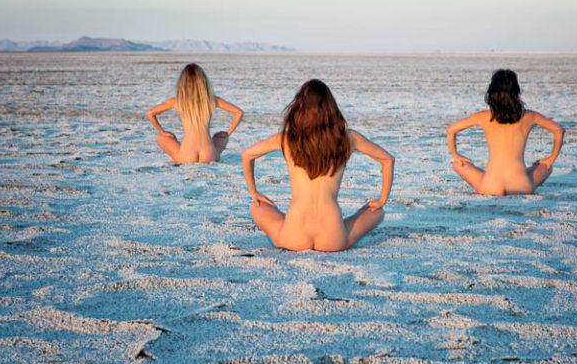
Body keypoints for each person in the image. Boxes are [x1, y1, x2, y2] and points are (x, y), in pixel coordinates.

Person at [242, 79, 395, 252]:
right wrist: (382, 199)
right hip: (333, 237)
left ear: (299, 108)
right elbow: (387, 160)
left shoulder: (286, 139)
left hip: (293, 237)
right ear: (331, 108)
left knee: (256, 206)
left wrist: (253, 191)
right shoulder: (348, 138)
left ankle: (286, 221)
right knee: (378, 212)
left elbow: (247, 155)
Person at [447, 69, 564, 196]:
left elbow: (451, 130)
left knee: (458, 164)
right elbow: (558, 130)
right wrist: (551, 158)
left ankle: (484, 175)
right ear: (517, 92)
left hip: (490, 186)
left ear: (492, 93)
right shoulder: (530, 116)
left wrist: (456, 155)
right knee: (547, 166)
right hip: (522, 186)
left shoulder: (482, 116)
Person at [146, 63, 243, 163]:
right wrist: (228, 133)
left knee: (161, 138)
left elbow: (150, 113)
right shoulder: (212, 100)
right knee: (221, 137)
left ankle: (175, 158)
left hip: (186, 156)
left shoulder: (177, 101)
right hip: (210, 155)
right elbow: (239, 112)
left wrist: (162, 132)